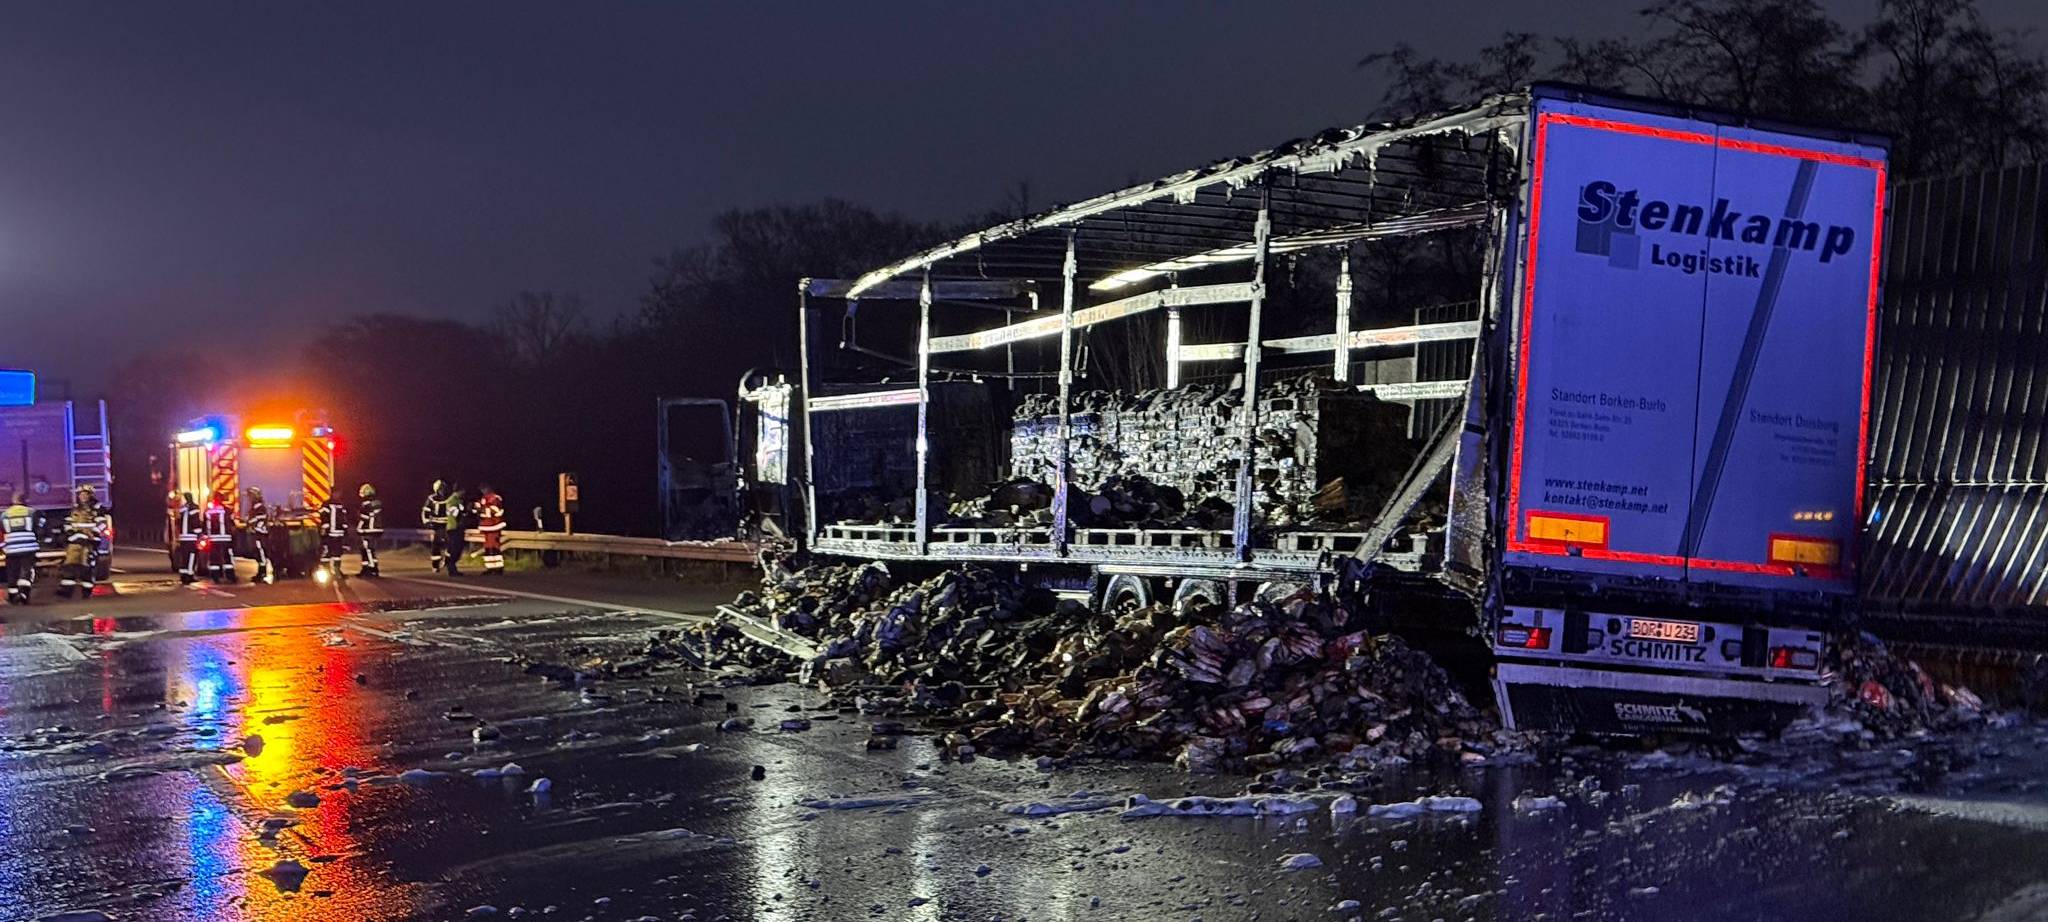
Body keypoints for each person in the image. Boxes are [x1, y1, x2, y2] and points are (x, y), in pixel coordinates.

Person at [57, 487, 105, 598]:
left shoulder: (97, 508)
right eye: (81, 494)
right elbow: (68, 523)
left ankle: (86, 591)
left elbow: (102, 523)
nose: (83, 496)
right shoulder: (75, 508)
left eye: (85, 494)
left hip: (90, 542)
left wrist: (93, 533)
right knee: (70, 565)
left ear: (90, 495)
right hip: (75, 541)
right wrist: (70, 533)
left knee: (87, 567)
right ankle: (67, 591)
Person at [3, 492, 37, 605]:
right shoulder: (32, 512)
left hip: (11, 548)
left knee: (13, 572)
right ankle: (24, 594)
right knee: (26, 571)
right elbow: (38, 527)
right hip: (28, 547)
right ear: (24, 500)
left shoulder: (4, 514)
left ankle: (13, 597)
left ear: (13, 500)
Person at [203, 487, 237, 584]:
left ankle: (215, 577)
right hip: (226, 538)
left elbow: (205, 526)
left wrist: (206, 536)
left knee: (214, 558)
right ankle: (230, 576)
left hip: (213, 539)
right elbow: (231, 524)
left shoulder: (208, 511)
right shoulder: (227, 510)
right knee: (228, 557)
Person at [243, 486, 273, 583]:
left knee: (261, 554)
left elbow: (258, 519)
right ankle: (261, 572)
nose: (249, 499)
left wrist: (250, 523)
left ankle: (262, 573)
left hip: (260, 534)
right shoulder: (256, 508)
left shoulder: (260, 508)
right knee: (259, 554)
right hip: (257, 534)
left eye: (250, 496)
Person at [475, 483, 506, 575]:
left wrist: (482, 509)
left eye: (484, 488)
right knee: (488, 548)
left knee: (494, 548)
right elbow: (480, 511)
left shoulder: (495, 498)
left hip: (494, 526)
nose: (483, 491)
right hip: (486, 526)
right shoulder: (484, 498)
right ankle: (490, 568)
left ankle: (498, 568)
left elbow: (496, 511)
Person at [319, 490, 349, 582]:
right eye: (337, 493)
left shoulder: (337, 504)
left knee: (337, 554)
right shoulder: (329, 504)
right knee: (328, 553)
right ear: (332, 494)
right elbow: (324, 517)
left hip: (336, 533)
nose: (338, 495)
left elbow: (343, 519)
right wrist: (326, 529)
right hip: (331, 533)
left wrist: (345, 530)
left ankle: (336, 571)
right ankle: (328, 571)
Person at [421, 480, 451, 573]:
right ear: (436, 489)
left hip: (447, 525)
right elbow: (425, 511)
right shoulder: (431, 499)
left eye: (444, 489)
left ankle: (447, 561)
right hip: (435, 526)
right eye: (441, 489)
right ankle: (435, 565)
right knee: (435, 546)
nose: (442, 491)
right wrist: (426, 523)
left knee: (450, 544)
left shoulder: (449, 498)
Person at [356, 483, 384, 577]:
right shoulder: (377, 503)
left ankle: (371, 569)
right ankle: (368, 568)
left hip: (368, 530)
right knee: (370, 549)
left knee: (367, 549)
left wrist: (359, 529)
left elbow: (363, 518)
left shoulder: (365, 504)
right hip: (377, 529)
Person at [174, 492, 202, 584]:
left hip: (183, 537)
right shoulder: (194, 507)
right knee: (192, 556)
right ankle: (189, 576)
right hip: (191, 537)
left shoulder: (183, 508)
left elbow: (178, 522)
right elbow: (195, 521)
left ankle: (183, 576)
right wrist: (199, 534)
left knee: (184, 557)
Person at [442, 487, 467, 577]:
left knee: (458, 549)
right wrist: (462, 512)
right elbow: (455, 514)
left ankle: (452, 567)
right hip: (453, 528)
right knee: (455, 549)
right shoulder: (452, 500)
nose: (464, 493)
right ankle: (451, 568)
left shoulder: (459, 500)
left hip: (458, 527)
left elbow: (462, 513)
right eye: (462, 491)